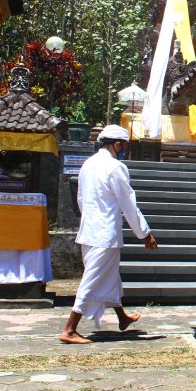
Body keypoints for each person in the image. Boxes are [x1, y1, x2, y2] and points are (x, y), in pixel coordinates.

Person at [60, 124, 157, 344]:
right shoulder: (115, 167)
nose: (125, 150)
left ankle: (122, 318)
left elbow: (81, 200)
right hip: (104, 233)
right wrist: (144, 233)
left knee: (110, 277)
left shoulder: (88, 164)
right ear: (116, 144)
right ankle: (69, 329)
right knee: (92, 280)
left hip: (90, 230)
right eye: (124, 146)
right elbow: (128, 203)